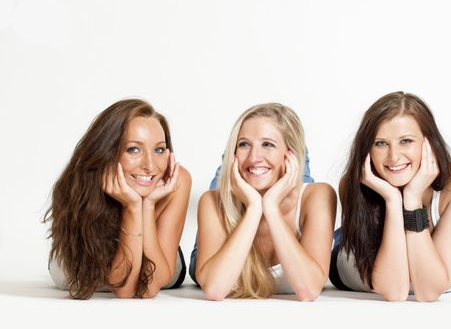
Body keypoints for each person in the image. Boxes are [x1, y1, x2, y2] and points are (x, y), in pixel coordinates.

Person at [329, 91, 451, 302]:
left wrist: (412, 198)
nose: (394, 157)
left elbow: (428, 291)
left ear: (429, 142)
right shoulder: (354, 183)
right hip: (343, 251)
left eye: (406, 141)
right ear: (367, 150)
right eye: (380, 143)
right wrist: (392, 200)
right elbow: (395, 291)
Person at [44, 99, 191, 299]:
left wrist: (146, 207)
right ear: (107, 152)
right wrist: (131, 207)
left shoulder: (175, 180)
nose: (150, 165)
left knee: (165, 269)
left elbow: (149, 287)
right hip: (83, 268)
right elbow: (125, 289)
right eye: (133, 149)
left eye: (159, 150)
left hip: (159, 261)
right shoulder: (80, 183)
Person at [193, 103, 336, 300]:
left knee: (285, 172)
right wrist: (254, 207)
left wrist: (270, 206)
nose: (254, 156)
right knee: (224, 183)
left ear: (289, 153)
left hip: (289, 186)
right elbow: (215, 290)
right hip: (227, 225)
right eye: (243, 144)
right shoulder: (211, 200)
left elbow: (308, 291)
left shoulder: (319, 195)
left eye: (267, 144)